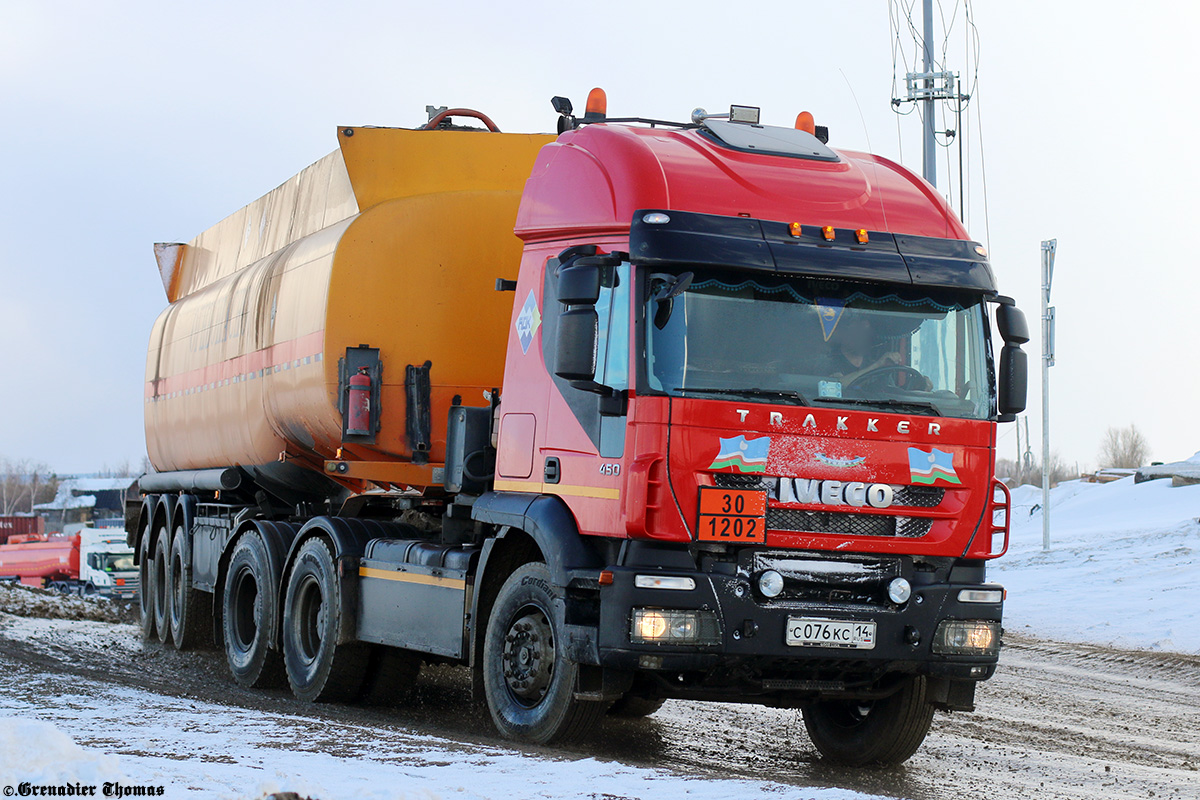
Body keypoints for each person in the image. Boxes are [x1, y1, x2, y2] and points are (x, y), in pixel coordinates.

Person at [821, 311, 930, 390]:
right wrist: (877, 365)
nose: (865, 335)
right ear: (844, 333)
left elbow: (890, 395)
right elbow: (837, 387)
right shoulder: (828, 362)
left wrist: (916, 389)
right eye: (860, 329)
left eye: (868, 332)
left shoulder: (879, 370)